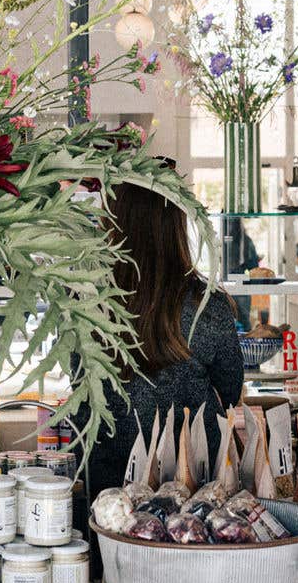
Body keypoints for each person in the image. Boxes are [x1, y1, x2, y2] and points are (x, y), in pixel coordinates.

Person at [81, 178, 246, 499]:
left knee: (115, 547)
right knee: (189, 547)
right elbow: (229, 390)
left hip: (111, 483)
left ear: (112, 223)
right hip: (194, 484)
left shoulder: (88, 301)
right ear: (177, 228)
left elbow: (79, 385)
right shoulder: (207, 304)